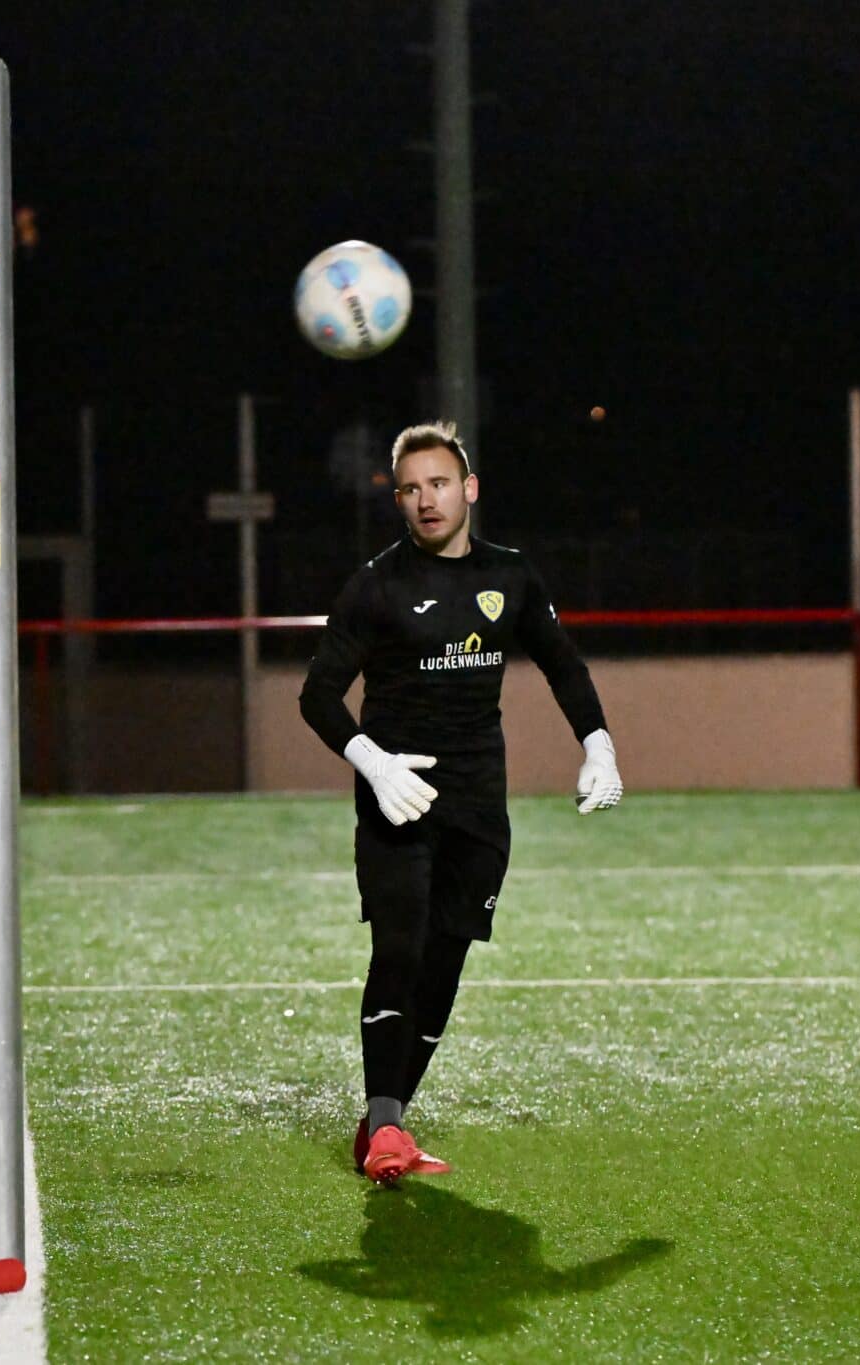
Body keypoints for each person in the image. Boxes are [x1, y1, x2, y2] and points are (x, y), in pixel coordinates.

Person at [300, 420, 623, 1185]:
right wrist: (371, 762)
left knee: (444, 963)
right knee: (400, 945)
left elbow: (563, 665)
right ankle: (384, 1126)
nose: (425, 499)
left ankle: (389, 1124)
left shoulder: (511, 577)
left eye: (438, 483)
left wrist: (599, 744)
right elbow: (316, 696)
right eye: (410, 488)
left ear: (469, 488)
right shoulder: (375, 585)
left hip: (479, 807)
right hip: (397, 800)